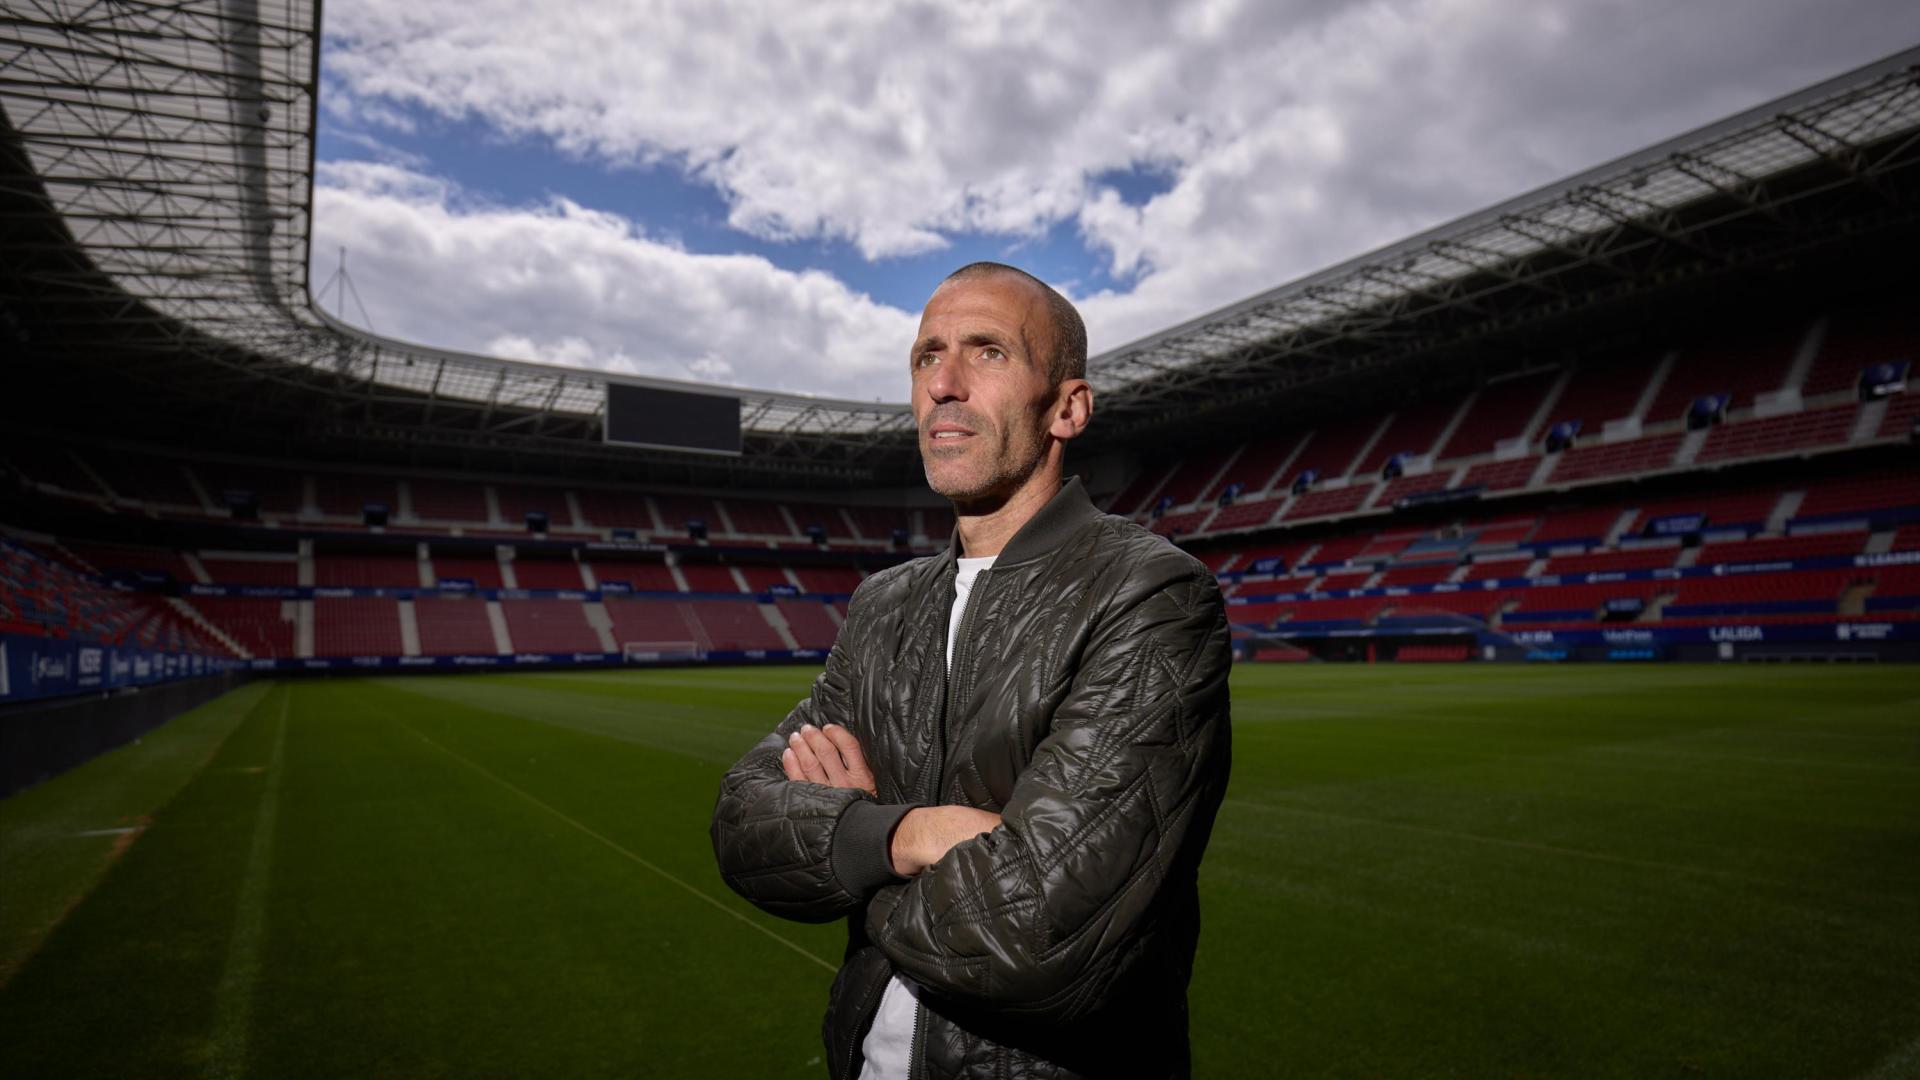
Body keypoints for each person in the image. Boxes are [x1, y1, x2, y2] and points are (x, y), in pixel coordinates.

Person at [711, 261, 1232, 1079]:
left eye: (987, 352)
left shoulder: (1150, 592)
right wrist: (911, 835)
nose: (943, 384)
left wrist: (849, 846)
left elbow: (1037, 933)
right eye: (926, 357)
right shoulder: (884, 603)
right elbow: (744, 823)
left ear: (1068, 407)